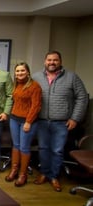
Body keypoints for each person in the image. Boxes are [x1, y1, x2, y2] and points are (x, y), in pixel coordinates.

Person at [32, 51, 88, 192]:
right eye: (49, 60)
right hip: (41, 121)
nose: (52, 62)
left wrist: (75, 118)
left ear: (60, 61)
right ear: (45, 61)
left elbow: (82, 97)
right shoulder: (36, 77)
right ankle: (44, 173)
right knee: (43, 149)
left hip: (61, 122)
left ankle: (54, 176)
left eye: (55, 60)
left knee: (57, 151)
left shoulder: (71, 77)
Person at [4, 62, 42, 187]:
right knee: (16, 145)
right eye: (17, 71)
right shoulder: (16, 85)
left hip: (27, 121)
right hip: (14, 119)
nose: (19, 73)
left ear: (28, 72)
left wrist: (28, 122)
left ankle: (22, 175)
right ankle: (14, 170)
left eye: (22, 70)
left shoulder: (34, 86)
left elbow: (36, 106)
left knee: (24, 148)